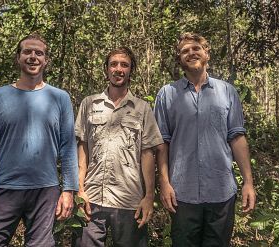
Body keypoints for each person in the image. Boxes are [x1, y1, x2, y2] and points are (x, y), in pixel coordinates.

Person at [0, 33, 78, 247]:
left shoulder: (60, 98)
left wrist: (68, 190)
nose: (33, 57)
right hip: (7, 187)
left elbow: (68, 147)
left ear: (45, 60)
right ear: (18, 57)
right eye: (27, 51)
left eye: (39, 53)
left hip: (45, 191)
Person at [154, 32, 256, 247]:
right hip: (182, 193)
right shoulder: (167, 94)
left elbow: (237, 137)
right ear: (180, 59)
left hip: (221, 191)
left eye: (196, 49)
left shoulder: (227, 91)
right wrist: (164, 182)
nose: (191, 53)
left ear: (206, 53)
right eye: (185, 51)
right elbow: (162, 143)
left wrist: (248, 182)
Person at [74, 47, 163, 247]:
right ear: (106, 70)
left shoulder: (142, 108)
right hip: (92, 198)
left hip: (129, 200)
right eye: (113, 64)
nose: (118, 69)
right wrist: (79, 190)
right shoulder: (89, 104)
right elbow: (83, 150)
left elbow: (148, 154)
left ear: (131, 71)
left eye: (124, 65)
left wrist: (149, 196)